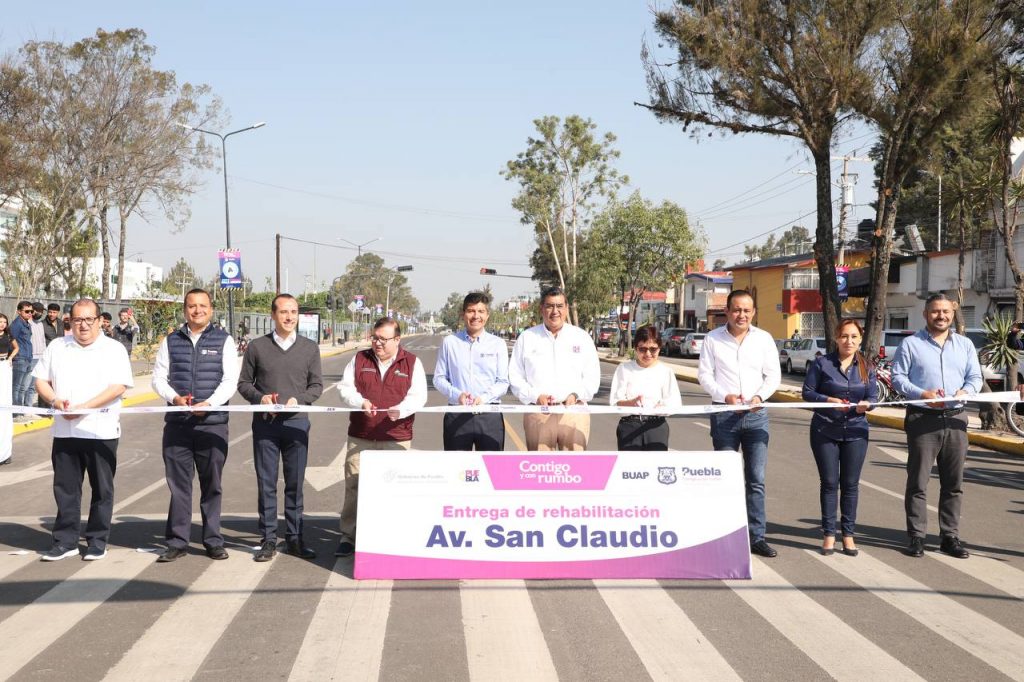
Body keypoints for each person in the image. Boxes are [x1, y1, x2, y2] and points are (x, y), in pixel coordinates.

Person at [33, 299, 133, 561]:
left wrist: (85, 408)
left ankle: (98, 541)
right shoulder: (58, 347)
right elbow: (40, 380)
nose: (83, 325)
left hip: (101, 432)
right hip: (66, 432)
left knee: (102, 489)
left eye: (89, 319)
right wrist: (55, 400)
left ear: (100, 321)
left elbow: (119, 386)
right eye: (77, 320)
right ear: (70, 321)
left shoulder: (114, 349)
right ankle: (65, 541)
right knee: (66, 489)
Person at [152, 289, 239, 563]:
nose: (197, 311)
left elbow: (229, 381)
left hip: (212, 425)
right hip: (178, 425)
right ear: (185, 310)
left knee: (212, 484)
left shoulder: (224, 341)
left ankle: (213, 540)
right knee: (179, 486)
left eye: (202, 306)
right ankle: (177, 541)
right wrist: (175, 398)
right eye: (192, 306)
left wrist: (209, 404)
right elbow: (158, 378)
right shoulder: (170, 341)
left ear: (211, 310)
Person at [892, 293, 981, 560]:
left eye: (945, 311)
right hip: (923, 419)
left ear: (952, 313)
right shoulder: (910, 344)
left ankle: (949, 537)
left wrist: (965, 390)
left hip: (955, 419)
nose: (941, 316)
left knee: (953, 483)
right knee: (918, 481)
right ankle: (916, 536)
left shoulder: (965, 345)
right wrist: (922, 394)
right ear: (925, 314)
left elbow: (974, 376)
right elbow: (898, 378)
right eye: (935, 311)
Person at [237, 294, 323, 562]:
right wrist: (259, 398)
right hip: (266, 426)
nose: (289, 317)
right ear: (273, 315)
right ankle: (269, 539)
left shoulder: (310, 348)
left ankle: (296, 538)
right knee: (267, 483)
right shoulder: (257, 347)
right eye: (284, 312)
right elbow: (243, 383)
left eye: (294, 312)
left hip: (297, 425)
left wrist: (302, 399)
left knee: (295, 484)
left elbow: (316, 386)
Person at [698, 289, 782, 558]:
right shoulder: (712, 339)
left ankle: (756, 536)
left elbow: (773, 376)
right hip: (724, 414)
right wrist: (726, 396)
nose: (741, 315)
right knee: (725, 478)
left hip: (756, 416)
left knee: (756, 480)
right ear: (727, 311)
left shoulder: (764, 339)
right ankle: (725, 536)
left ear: (754, 312)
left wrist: (759, 396)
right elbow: (704, 376)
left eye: (746, 310)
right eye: (736, 309)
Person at [336, 317, 427, 557]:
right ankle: (349, 536)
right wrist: (360, 401)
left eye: (383, 339)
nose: (377, 343)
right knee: (354, 486)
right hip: (362, 436)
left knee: (396, 488)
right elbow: (345, 388)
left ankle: (393, 535)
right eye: (375, 337)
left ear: (397, 339)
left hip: (396, 436)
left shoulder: (411, 363)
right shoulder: (359, 359)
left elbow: (419, 396)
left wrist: (403, 409)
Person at [802, 319, 877, 557]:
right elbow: (807, 392)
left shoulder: (867, 366)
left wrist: (868, 405)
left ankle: (848, 535)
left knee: (851, 485)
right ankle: (828, 535)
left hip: (856, 431)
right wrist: (827, 401)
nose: (849, 341)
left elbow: (873, 396)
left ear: (860, 339)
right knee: (830, 483)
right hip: (825, 429)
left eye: (854, 337)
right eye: (845, 336)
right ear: (836, 338)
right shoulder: (821, 364)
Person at [508, 286, 600, 450]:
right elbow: (515, 377)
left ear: (566, 308)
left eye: (559, 306)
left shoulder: (582, 337)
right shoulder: (527, 338)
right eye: (550, 306)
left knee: (575, 471)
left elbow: (592, 377)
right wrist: (536, 396)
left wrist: (575, 395)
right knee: (541, 471)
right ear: (541, 308)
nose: (555, 311)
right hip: (538, 413)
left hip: (574, 413)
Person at [433, 292, 509, 450]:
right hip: (457, 414)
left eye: (481, 311)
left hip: (489, 415)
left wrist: (483, 398)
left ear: (487, 315)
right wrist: (457, 395)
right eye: (471, 311)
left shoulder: (498, 344)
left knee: (491, 470)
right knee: (457, 470)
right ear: (463, 314)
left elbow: (503, 382)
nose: (476, 316)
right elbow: (439, 379)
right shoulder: (450, 342)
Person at [609, 325, 683, 450]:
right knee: (630, 468)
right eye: (642, 349)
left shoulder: (666, 371)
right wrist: (631, 403)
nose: (648, 354)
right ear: (635, 348)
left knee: (655, 467)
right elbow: (615, 402)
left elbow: (674, 402)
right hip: (630, 425)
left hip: (656, 427)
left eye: (653, 349)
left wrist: (663, 407)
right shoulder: (624, 369)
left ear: (659, 348)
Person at [10, 301, 35, 416]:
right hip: (20, 359)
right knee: (16, 387)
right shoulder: (16, 324)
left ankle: (20, 411)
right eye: (27, 311)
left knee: (24, 388)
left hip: (28, 358)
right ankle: (15, 413)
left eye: (31, 311)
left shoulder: (27, 323)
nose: (30, 313)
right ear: (19, 311)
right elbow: (11, 341)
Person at [0, 313, 18, 466]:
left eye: (4, 322)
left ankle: (5, 453)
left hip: (4, 367)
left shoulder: (8, 336)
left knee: (5, 404)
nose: (2, 324)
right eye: (0, 322)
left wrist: (10, 358)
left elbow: (16, 348)